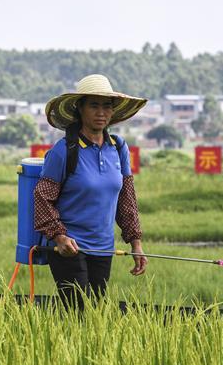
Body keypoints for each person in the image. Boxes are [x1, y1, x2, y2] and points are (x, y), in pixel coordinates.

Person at [33, 74, 148, 310]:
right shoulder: (64, 151)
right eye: (94, 105)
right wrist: (59, 237)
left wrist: (136, 244)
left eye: (107, 106)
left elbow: (126, 199)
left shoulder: (118, 148)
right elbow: (42, 198)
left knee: (95, 312)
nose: (101, 112)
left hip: (103, 248)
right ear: (80, 108)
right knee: (79, 312)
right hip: (69, 247)